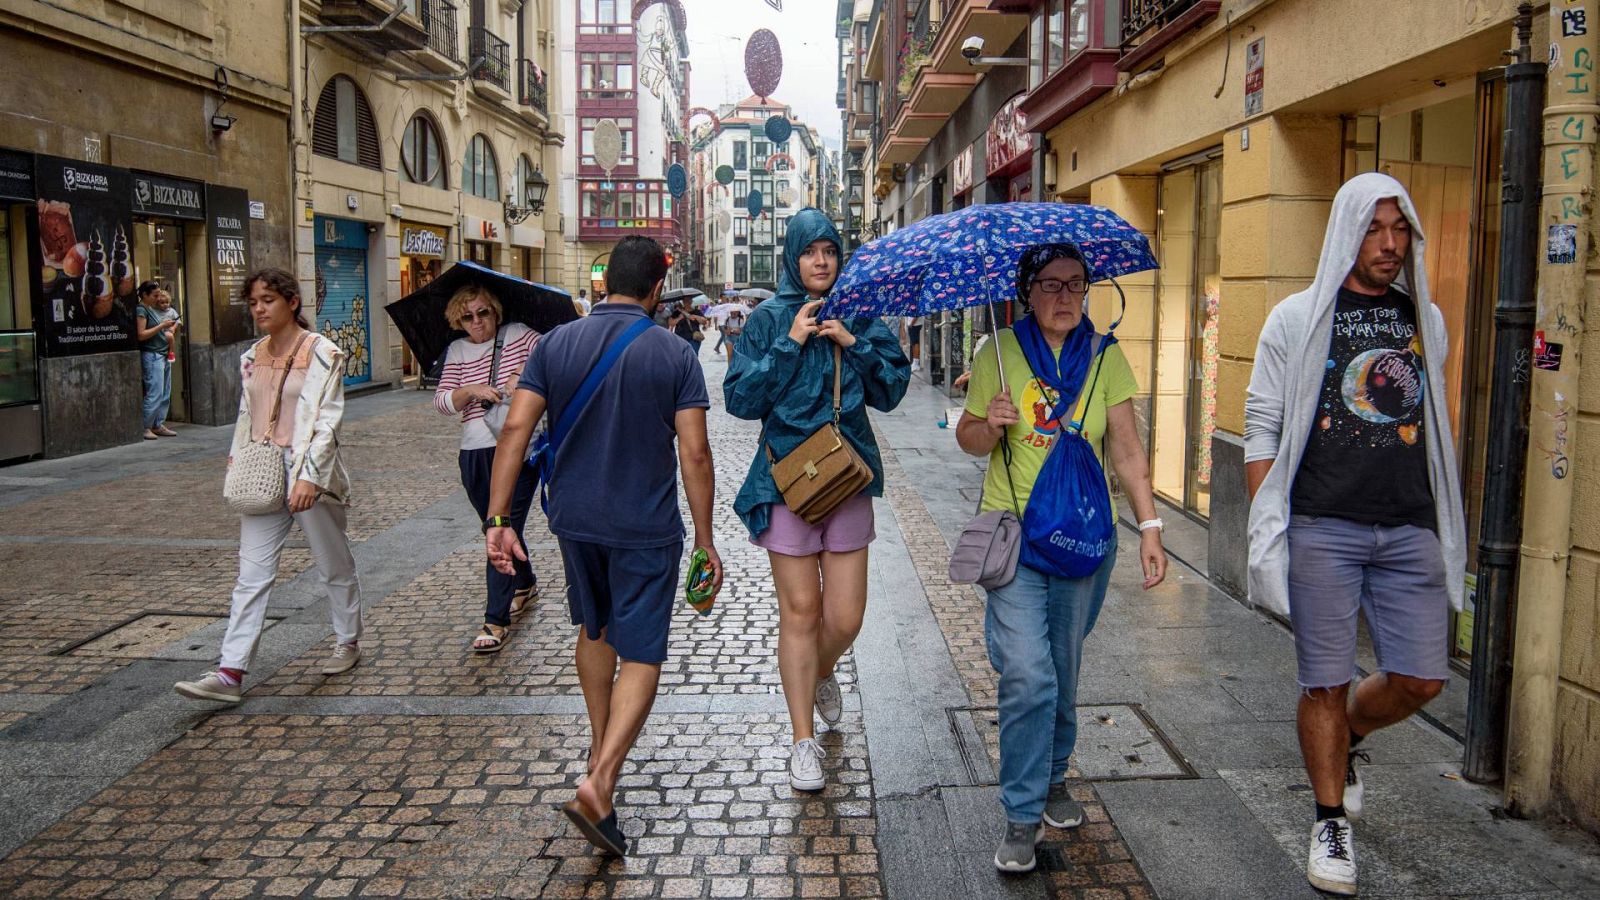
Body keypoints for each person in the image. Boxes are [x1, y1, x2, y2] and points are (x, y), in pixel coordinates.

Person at [1245, 173, 1464, 897]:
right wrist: (1270, 524)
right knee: (1325, 681)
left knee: (1422, 678)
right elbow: (1261, 429)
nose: (1391, 244)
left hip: (1408, 526)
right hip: (1322, 525)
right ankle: (1329, 817)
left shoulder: (1424, 319)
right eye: (1375, 229)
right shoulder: (1296, 318)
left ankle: (1352, 743)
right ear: (1346, 231)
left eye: (1400, 229)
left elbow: (1430, 423)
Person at [485, 236, 721, 857]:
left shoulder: (555, 344)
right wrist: (705, 538)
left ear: (605, 281)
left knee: (594, 630)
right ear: (655, 291)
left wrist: (497, 517)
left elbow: (515, 426)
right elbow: (694, 452)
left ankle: (599, 750)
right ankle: (601, 779)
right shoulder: (673, 354)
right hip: (644, 525)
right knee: (641, 650)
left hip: (574, 520)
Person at [956, 243, 1168, 874]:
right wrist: (987, 424)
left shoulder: (1105, 359)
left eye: (1076, 285)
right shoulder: (997, 353)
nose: (1064, 297)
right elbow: (968, 438)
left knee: (1063, 672)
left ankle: (1052, 778)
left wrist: (1150, 526)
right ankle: (1021, 814)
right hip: (1016, 537)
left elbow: (1127, 451)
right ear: (1027, 291)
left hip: (1082, 541)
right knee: (1028, 673)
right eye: (1050, 285)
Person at [724, 208, 909, 793]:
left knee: (845, 616)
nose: (821, 261)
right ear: (793, 257)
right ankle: (802, 740)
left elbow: (893, 390)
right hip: (785, 481)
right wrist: (791, 341)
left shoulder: (858, 313)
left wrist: (852, 343)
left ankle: (822, 669)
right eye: (810, 251)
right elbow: (741, 400)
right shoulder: (767, 319)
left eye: (829, 250)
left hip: (848, 476)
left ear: (840, 255)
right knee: (800, 613)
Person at [175, 268, 362, 703]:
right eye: (254, 302)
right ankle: (230, 672)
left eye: (268, 300)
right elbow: (247, 418)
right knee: (251, 576)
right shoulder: (250, 357)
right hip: (261, 471)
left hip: (306, 473)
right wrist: (236, 464)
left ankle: (348, 639)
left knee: (332, 562)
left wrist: (309, 477)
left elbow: (327, 423)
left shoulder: (324, 353)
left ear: (292, 302)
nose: (259, 309)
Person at [434, 284, 541, 653]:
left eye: (483, 313)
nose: (477, 322)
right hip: (474, 452)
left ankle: (495, 620)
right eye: (468, 316)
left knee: (500, 526)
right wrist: (472, 390)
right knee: (496, 524)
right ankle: (524, 582)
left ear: (495, 311)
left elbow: (552, 356)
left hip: (517, 448)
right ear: (457, 320)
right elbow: (443, 401)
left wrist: (521, 375)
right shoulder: (457, 350)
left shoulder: (518, 335)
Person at [135, 282, 181, 439]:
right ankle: (146, 426)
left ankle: (157, 423)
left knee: (164, 392)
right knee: (155, 391)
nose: (157, 298)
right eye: (154, 295)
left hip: (162, 353)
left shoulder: (150, 309)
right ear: (145, 295)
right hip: (152, 354)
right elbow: (141, 334)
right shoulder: (141, 310)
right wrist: (162, 326)